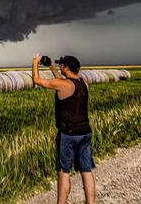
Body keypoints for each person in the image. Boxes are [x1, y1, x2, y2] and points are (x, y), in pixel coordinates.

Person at [32, 54, 95, 204]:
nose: (60, 67)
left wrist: (35, 63)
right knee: (86, 171)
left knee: (63, 172)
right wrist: (52, 67)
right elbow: (65, 82)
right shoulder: (84, 82)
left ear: (66, 67)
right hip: (85, 132)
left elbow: (36, 80)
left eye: (62, 66)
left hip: (68, 134)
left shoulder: (62, 85)